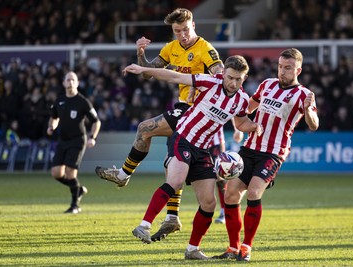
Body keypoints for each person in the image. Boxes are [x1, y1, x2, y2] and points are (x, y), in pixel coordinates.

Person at [95, 8, 241, 240]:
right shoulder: (170, 48)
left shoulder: (206, 49)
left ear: (193, 25)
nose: (182, 35)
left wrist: (202, 85)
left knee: (145, 128)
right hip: (184, 108)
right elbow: (149, 72)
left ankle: (124, 174)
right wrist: (141, 53)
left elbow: (221, 77)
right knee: (171, 163)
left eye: (185, 29)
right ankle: (172, 216)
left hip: (196, 111)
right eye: (177, 31)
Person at [123, 55, 262, 260]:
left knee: (209, 203)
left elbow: (241, 122)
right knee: (176, 180)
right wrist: (145, 70)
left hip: (204, 150)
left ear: (245, 78)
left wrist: (254, 127)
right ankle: (144, 226)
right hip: (183, 138)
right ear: (223, 74)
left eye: (239, 79)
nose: (233, 83)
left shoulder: (242, 99)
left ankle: (192, 249)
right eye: (230, 77)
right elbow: (173, 77)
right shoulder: (209, 82)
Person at [213, 48, 319, 261]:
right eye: (280, 66)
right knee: (231, 193)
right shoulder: (267, 85)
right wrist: (239, 124)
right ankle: (233, 248)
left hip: (273, 153)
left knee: (253, 192)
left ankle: (246, 247)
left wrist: (308, 110)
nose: (282, 71)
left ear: (298, 69)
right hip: (249, 148)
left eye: (288, 68)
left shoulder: (304, 95)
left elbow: (314, 125)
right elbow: (247, 109)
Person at [47, 71, 101, 214]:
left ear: (77, 83)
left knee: (71, 173)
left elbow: (96, 121)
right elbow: (54, 117)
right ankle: (78, 189)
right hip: (63, 140)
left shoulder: (83, 102)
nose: (70, 82)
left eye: (73, 80)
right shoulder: (59, 101)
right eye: (68, 79)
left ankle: (75, 205)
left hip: (78, 140)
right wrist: (51, 126)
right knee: (56, 173)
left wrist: (92, 137)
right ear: (64, 83)